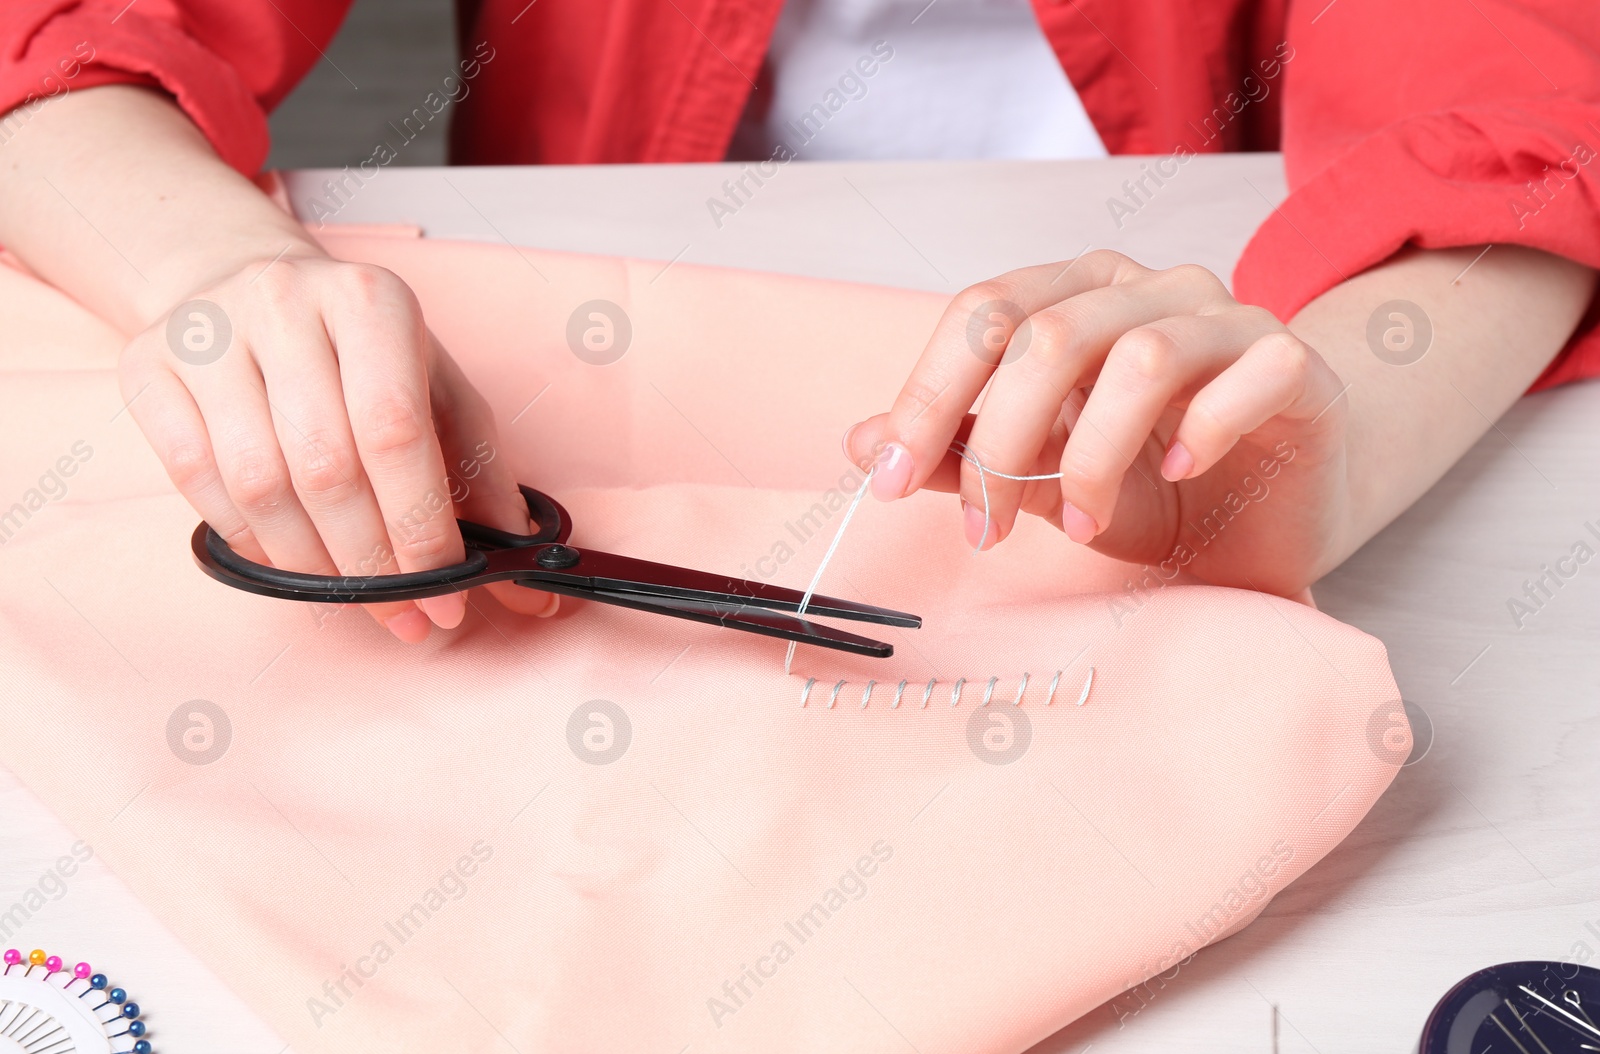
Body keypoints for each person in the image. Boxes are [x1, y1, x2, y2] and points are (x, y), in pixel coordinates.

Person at [1, 0, 1595, 642]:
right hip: (605, 332)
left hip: (1205, 320)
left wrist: (1317, 448)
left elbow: (1529, 104)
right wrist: (214, 276)